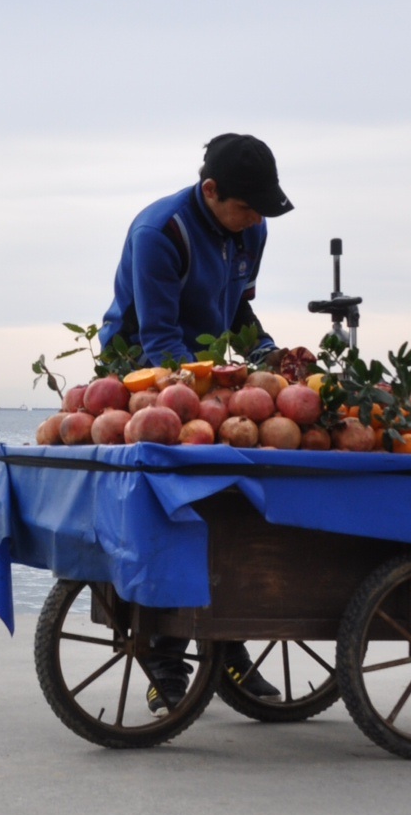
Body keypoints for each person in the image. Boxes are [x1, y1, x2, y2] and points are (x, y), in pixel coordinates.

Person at [98, 133, 294, 714]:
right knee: (177, 502)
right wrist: (215, 391)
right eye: (247, 207)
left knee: (233, 504)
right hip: (142, 374)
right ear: (210, 191)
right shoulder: (160, 233)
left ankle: (227, 640)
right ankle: (164, 656)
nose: (255, 218)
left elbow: (239, 313)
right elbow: (159, 342)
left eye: (261, 209)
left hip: (208, 372)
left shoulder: (253, 230)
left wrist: (273, 363)